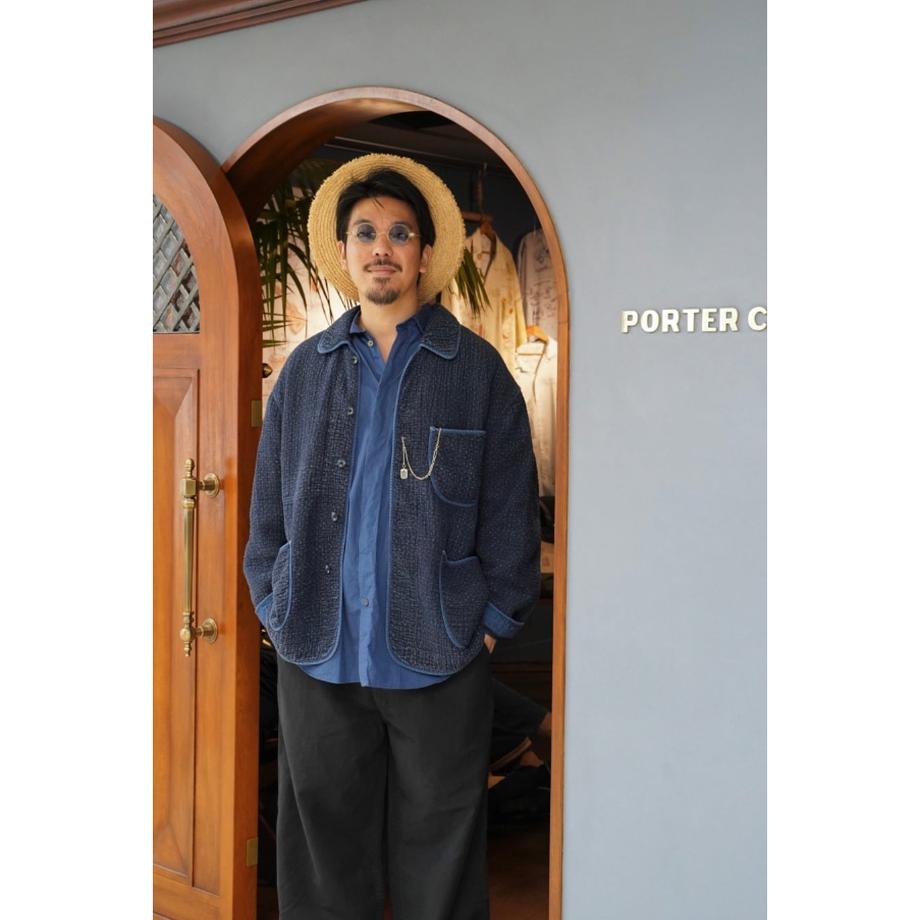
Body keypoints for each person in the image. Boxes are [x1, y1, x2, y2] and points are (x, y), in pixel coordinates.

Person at [243, 153, 541, 920]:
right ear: (345, 253)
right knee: (323, 862)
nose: (383, 247)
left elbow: (511, 510)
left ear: (424, 252)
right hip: (317, 649)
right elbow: (268, 511)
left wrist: (490, 622)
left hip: (441, 653)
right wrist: (274, 602)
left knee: (442, 858)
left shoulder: (477, 371)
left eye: (400, 233)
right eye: (367, 233)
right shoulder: (303, 373)